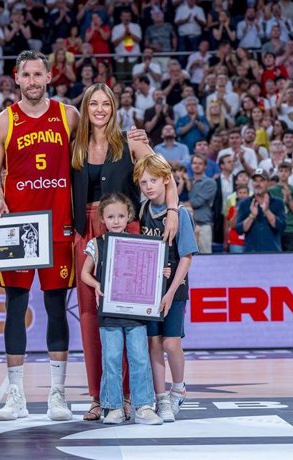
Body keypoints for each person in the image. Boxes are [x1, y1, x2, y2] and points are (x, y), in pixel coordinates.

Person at [71, 82, 179, 422]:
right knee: (90, 316)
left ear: (114, 107)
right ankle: (99, 397)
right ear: (86, 108)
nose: (100, 109)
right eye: (94, 104)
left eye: (106, 103)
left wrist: (173, 210)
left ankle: (133, 397)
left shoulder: (132, 141)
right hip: (86, 232)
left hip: (125, 231)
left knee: (132, 316)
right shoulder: (75, 146)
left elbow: (165, 176)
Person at [0, 50, 80, 422]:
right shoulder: (1, 122)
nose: (33, 81)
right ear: (17, 78)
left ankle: (57, 395)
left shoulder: (68, 116)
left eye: (39, 74)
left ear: (49, 76)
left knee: (57, 308)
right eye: (27, 75)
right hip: (18, 227)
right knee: (15, 307)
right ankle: (16, 396)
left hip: (59, 224)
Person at [80, 193, 163, 425]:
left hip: (136, 312)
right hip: (109, 312)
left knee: (139, 358)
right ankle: (112, 407)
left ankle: (144, 406)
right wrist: (97, 285)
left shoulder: (140, 243)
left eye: (120, 216)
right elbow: (84, 273)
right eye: (110, 216)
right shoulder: (96, 244)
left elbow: (152, 270)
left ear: (129, 217)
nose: (115, 221)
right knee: (112, 359)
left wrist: (160, 274)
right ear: (102, 219)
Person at [134, 154, 198, 422]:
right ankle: (161, 400)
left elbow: (186, 256)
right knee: (154, 343)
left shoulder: (180, 213)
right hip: (149, 289)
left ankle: (178, 388)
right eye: (143, 181)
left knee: (171, 343)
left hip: (175, 289)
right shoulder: (141, 211)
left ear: (166, 181)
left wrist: (171, 292)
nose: (148, 186)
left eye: (153, 180)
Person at [235, 168, 286, 252]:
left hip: (272, 252)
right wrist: (252, 216)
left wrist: (267, 211)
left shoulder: (278, 202)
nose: (258, 184)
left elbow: (281, 227)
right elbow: (239, 230)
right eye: (255, 181)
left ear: (268, 183)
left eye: (261, 180)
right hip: (251, 253)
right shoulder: (245, 203)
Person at [268, 162, 293, 251]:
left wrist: (289, 197)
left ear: (290, 173)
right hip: (275, 229)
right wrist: (283, 201)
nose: (283, 173)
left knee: (292, 259)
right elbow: (269, 209)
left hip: (290, 228)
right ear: (278, 173)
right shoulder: (270, 190)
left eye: (286, 171)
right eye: (281, 171)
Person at [188, 154, 216, 253]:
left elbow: (196, 203)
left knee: (206, 257)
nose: (197, 165)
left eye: (200, 163)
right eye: (194, 163)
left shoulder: (210, 182)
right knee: (188, 258)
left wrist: (181, 204)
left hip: (203, 224)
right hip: (188, 226)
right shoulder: (188, 181)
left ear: (205, 166)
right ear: (191, 165)